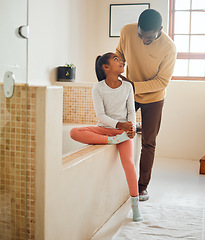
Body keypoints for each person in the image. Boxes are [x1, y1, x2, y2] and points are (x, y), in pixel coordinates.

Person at [70, 52, 142, 222]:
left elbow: (131, 111)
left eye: (121, 59)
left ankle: (135, 206)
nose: (122, 61)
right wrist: (118, 126)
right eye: (116, 59)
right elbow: (101, 116)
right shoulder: (99, 88)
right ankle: (111, 141)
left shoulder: (127, 87)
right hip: (106, 130)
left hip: (123, 134)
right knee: (74, 132)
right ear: (106, 67)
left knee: (129, 164)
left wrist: (130, 126)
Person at [116, 9, 176, 201]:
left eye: (148, 38)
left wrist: (133, 86)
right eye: (141, 36)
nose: (143, 40)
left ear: (160, 30)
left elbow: (162, 81)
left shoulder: (169, 48)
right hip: (130, 94)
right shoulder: (127, 31)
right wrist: (114, 69)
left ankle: (142, 187)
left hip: (154, 98)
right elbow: (120, 53)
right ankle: (115, 179)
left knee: (148, 143)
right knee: (116, 130)